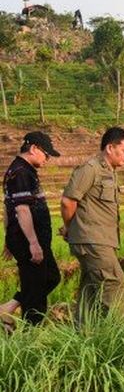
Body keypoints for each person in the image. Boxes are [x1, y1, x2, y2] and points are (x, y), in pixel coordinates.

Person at [60, 127, 124, 323]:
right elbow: (68, 202)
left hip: (99, 240)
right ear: (110, 148)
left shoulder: (109, 172)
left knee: (90, 291)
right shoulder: (90, 169)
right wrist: (70, 227)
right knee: (114, 284)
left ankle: (81, 336)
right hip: (92, 240)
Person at [1, 132, 62, 326]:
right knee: (35, 290)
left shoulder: (22, 170)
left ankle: (7, 309)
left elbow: (7, 207)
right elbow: (21, 209)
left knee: (51, 277)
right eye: (46, 154)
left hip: (25, 238)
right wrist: (33, 243)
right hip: (29, 240)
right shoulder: (21, 172)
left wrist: (8, 237)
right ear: (34, 148)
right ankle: (32, 335)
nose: (48, 159)